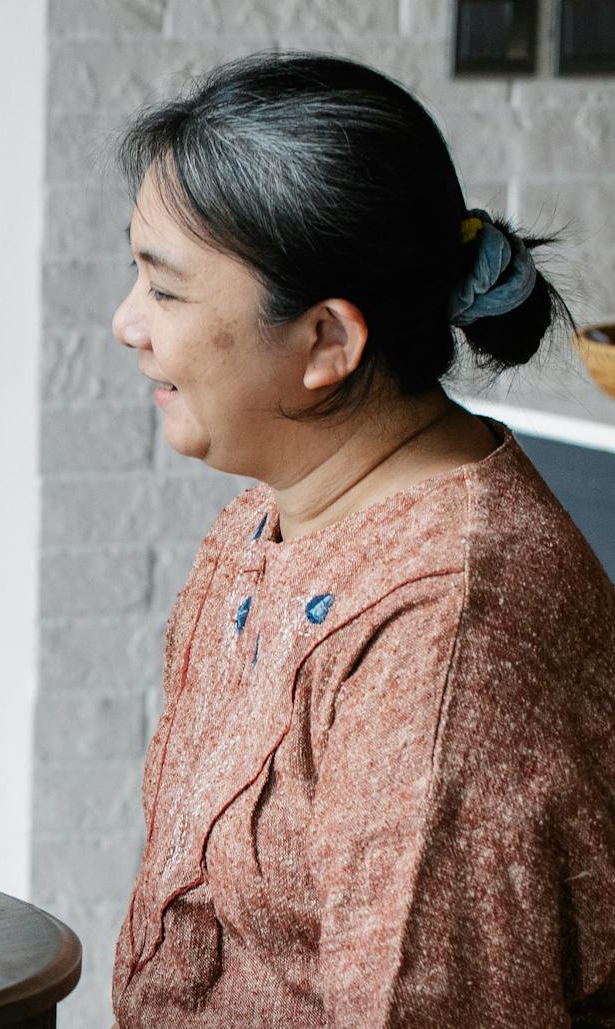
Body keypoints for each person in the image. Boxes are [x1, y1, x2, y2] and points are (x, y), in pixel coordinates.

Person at [106, 52, 615, 1025]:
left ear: (328, 344)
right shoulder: (272, 516)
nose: (126, 323)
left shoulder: (443, 631)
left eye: (165, 292)